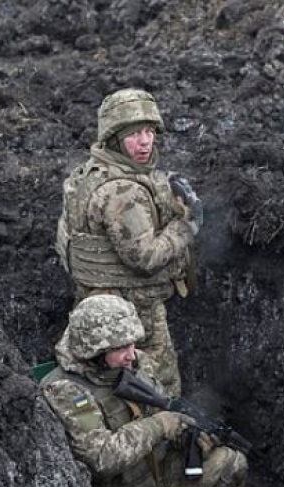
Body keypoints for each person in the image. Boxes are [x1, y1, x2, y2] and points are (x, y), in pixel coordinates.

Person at [38, 295, 247, 487]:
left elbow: (165, 406)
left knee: (229, 463)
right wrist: (160, 426)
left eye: (132, 344)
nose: (131, 355)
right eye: (120, 348)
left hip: (154, 473)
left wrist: (189, 435)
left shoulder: (135, 365)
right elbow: (101, 459)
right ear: (93, 349)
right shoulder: (68, 391)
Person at [55, 88, 202, 397]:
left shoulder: (87, 175)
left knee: (106, 384)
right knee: (161, 387)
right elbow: (146, 258)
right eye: (134, 134)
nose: (146, 141)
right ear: (115, 138)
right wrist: (186, 226)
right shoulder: (123, 192)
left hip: (94, 304)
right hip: (134, 311)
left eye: (149, 131)